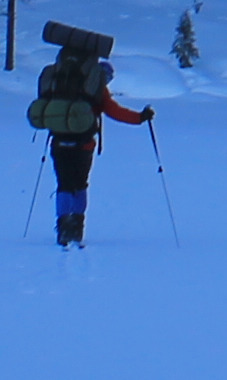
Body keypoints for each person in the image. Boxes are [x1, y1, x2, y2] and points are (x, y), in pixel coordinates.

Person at [46, 60, 151, 247]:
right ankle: (77, 227)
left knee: (64, 184)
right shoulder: (96, 91)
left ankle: (63, 226)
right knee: (80, 184)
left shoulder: (62, 85)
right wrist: (140, 118)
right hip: (84, 145)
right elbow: (115, 111)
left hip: (59, 142)